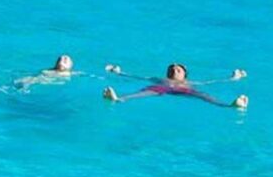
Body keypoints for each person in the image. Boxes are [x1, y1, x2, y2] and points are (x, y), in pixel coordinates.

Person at [102, 62, 248, 108]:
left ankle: (229, 105)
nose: (174, 70)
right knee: (143, 93)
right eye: (172, 69)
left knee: (205, 96)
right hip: (162, 88)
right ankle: (118, 99)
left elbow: (212, 82)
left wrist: (233, 78)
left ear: (184, 74)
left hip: (184, 89)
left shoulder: (189, 83)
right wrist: (118, 72)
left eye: (178, 70)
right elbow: (137, 77)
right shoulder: (159, 80)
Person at [13, 54, 78, 88]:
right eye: (60, 59)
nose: (62, 59)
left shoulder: (70, 73)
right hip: (42, 78)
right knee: (25, 81)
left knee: (26, 82)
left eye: (65, 60)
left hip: (45, 80)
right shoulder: (50, 70)